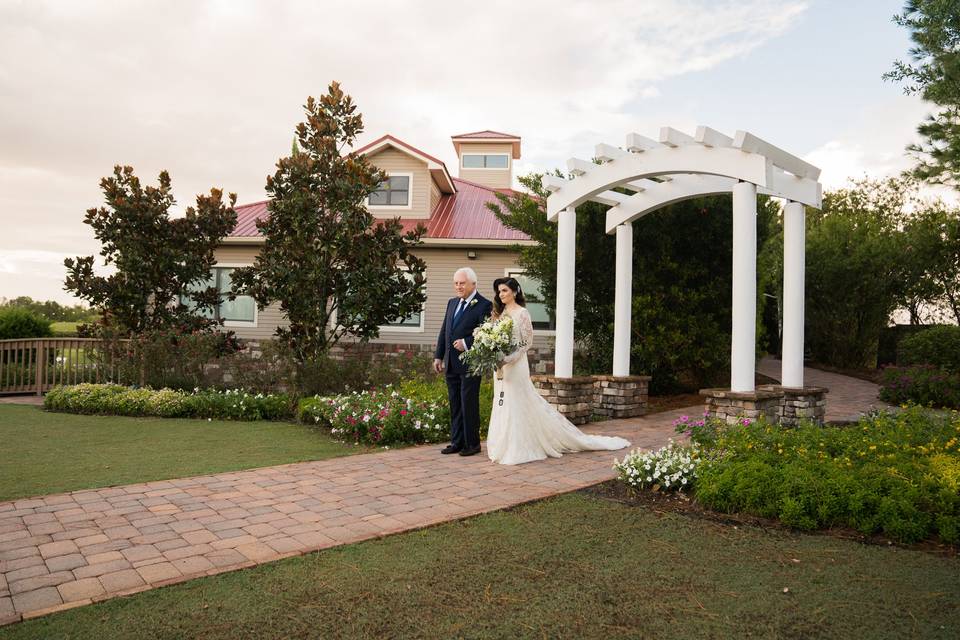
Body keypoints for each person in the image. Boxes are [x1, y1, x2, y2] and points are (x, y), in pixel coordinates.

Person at [486, 277, 630, 465]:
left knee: (517, 400)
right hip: (501, 366)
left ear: (515, 292)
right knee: (502, 401)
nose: (501, 294)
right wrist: (494, 354)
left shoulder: (522, 313)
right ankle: (502, 443)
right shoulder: (500, 313)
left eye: (504, 290)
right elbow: (494, 338)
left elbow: (526, 342)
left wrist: (508, 358)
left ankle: (519, 445)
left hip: (515, 364)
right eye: (499, 291)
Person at [433, 267, 493, 457]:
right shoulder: (452, 303)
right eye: (456, 283)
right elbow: (445, 331)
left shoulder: (484, 305)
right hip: (451, 363)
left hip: (470, 364)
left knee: (469, 404)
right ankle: (457, 442)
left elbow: (487, 334)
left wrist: (467, 343)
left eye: (462, 283)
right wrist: (438, 356)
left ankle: (472, 444)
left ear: (473, 284)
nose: (458, 287)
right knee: (455, 404)